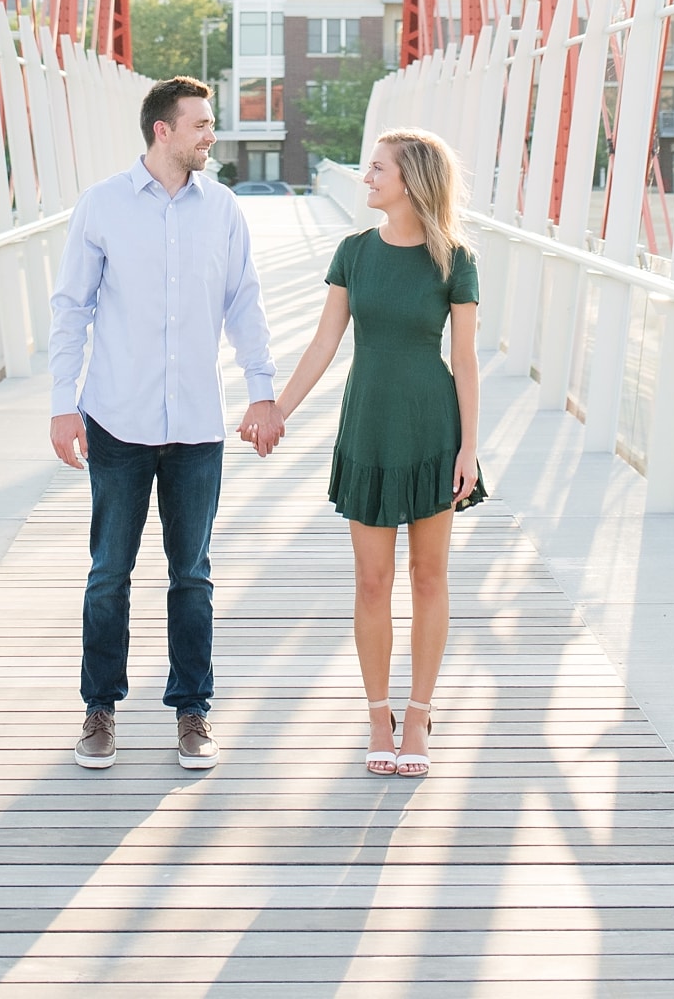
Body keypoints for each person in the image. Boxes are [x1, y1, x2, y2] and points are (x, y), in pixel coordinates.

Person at [49, 75, 284, 772]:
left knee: (193, 575)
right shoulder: (102, 206)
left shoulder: (225, 211)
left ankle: (192, 710)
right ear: (163, 130)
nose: (212, 134)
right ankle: (100, 708)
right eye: (201, 124)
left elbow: (246, 303)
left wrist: (262, 391)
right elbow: (72, 307)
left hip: (197, 425)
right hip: (116, 419)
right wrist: (63, 402)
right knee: (108, 573)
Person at [268, 128, 483, 777]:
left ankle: (419, 714)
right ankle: (378, 713)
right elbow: (323, 343)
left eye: (377, 169)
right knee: (371, 580)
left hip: (431, 430)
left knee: (428, 576)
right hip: (368, 425)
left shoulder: (455, 260)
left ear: (411, 179)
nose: (365, 178)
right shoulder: (354, 252)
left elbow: (466, 361)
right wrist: (278, 409)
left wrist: (470, 447)